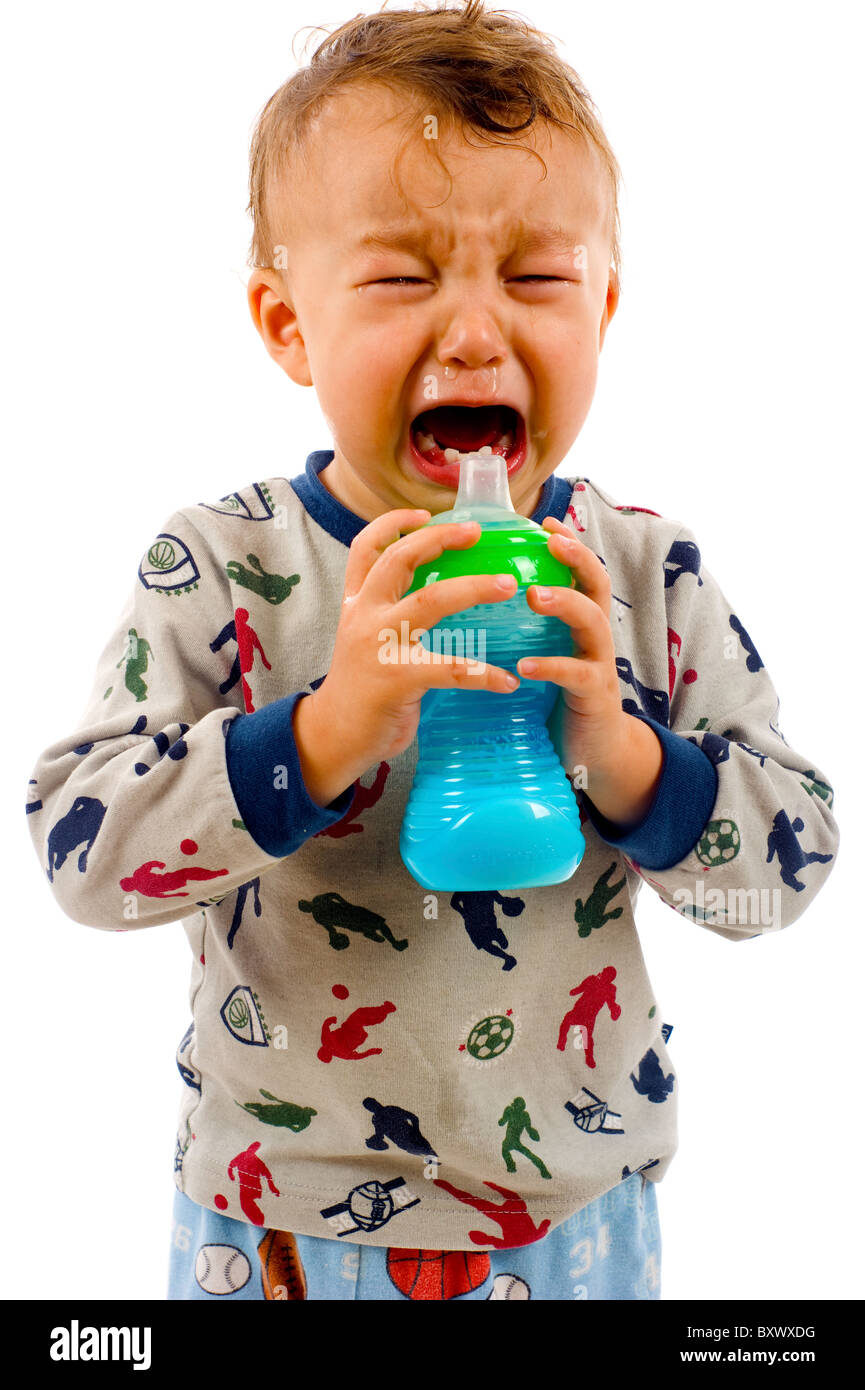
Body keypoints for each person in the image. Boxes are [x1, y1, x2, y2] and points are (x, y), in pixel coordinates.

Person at [25, 0, 838, 1301]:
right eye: (403, 278)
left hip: (571, 1214)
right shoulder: (222, 564)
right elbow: (81, 855)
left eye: (534, 278)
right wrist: (322, 731)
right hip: (281, 1219)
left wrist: (630, 764)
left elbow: (787, 864)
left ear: (605, 308)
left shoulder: (643, 569)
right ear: (289, 325)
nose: (472, 331)